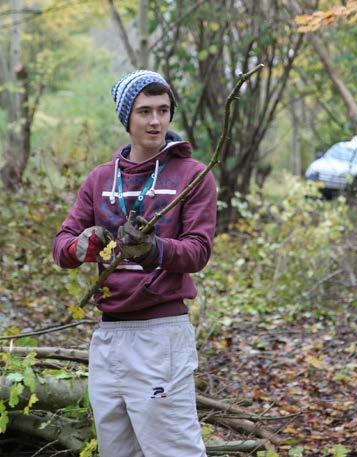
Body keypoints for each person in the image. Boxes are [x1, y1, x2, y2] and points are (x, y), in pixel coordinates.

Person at [52, 70, 216, 457]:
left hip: (161, 333)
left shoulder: (193, 176)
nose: (155, 121)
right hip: (109, 336)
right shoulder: (99, 180)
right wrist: (81, 246)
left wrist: (154, 250)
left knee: (174, 451)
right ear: (127, 118)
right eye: (144, 111)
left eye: (163, 110)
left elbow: (198, 250)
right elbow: (61, 246)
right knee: (117, 451)